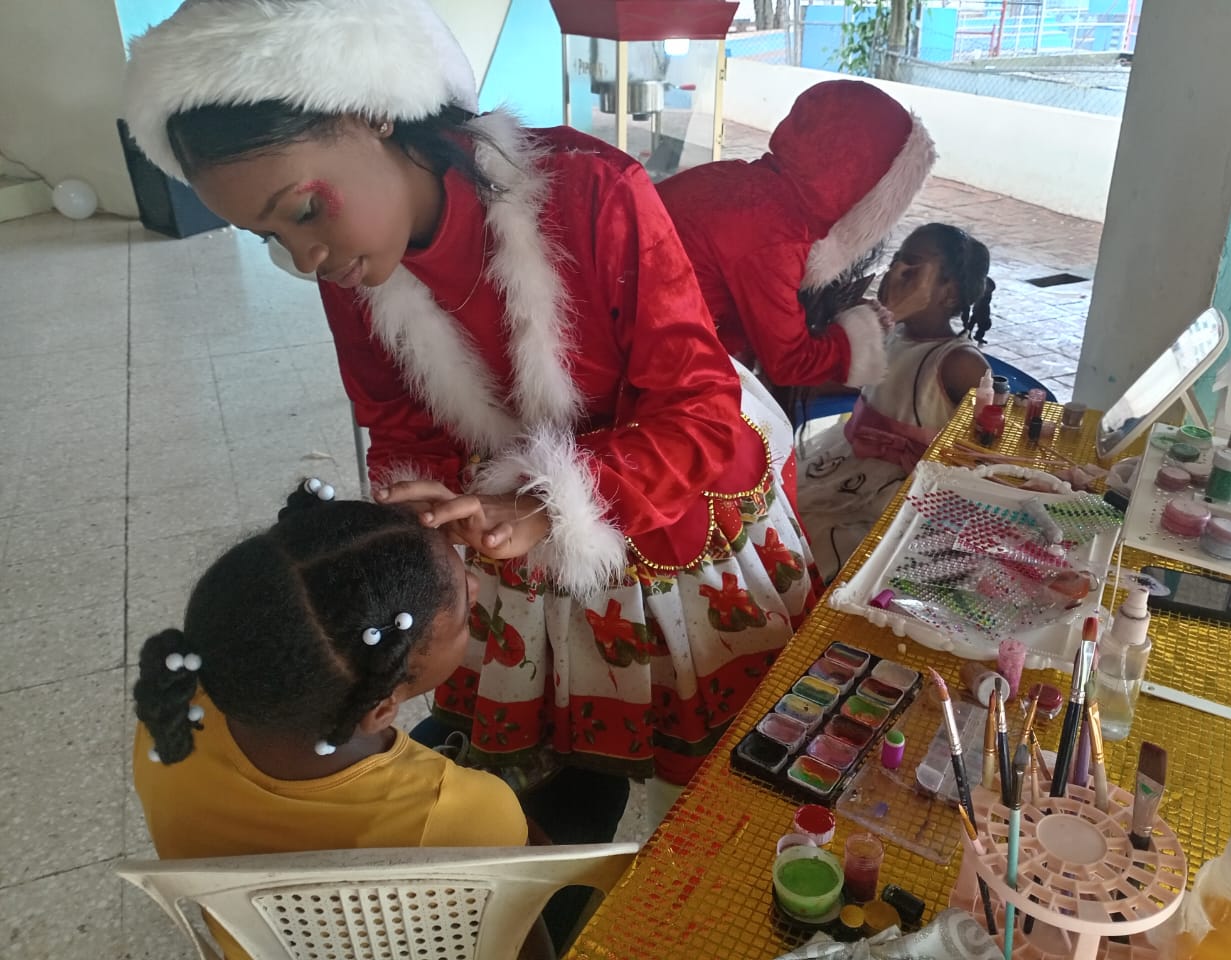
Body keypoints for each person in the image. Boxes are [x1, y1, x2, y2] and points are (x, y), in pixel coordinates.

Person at [125, 0, 817, 828]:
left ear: (370, 111)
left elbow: (699, 413)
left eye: (305, 210)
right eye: (268, 237)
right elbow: (401, 424)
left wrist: (543, 500)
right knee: (555, 773)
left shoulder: (594, 194)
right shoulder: (353, 272)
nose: (305, 259)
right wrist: (425, 508)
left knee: (714, 781)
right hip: (509, 536)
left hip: (673, 506)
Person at [132, 483, 552, 959]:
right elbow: (513, 937)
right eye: (463, 611)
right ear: (382, 708)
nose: (475, 586)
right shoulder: (460, 810)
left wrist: (387, 549)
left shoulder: (172, 719)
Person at [657, 79, 936, 395]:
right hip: (642, 375)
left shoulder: (739, 178)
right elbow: (790, 362)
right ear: (864, 184)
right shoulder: (776, 234)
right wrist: (870, 325)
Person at [797, 223, 994, 581]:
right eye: (896, 260)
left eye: (913, 266)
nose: (894, 272)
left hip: (901, 489)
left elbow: (988, 438)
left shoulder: (957, 363)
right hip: (846, 461)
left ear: (948, 294)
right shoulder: (887, 331)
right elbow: (825, 375)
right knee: (783, 516)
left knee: (829, 553)